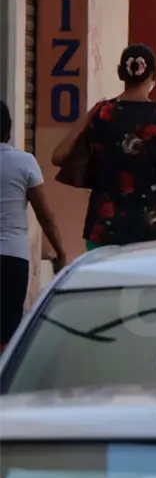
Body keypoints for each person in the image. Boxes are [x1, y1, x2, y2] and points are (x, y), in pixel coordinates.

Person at [51, 44, 156, 250]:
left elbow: (59, 156)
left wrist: (93, 124)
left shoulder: (101, 113)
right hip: (152, 228)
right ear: (154, 76)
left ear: (120, 73)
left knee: (107, 282)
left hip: (104, 226)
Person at [0, 100, 68, 352]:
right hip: (13, 258)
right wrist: (61, 253)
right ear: (8, 130)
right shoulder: (24, 162)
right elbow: (45, 214)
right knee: (8, 330)